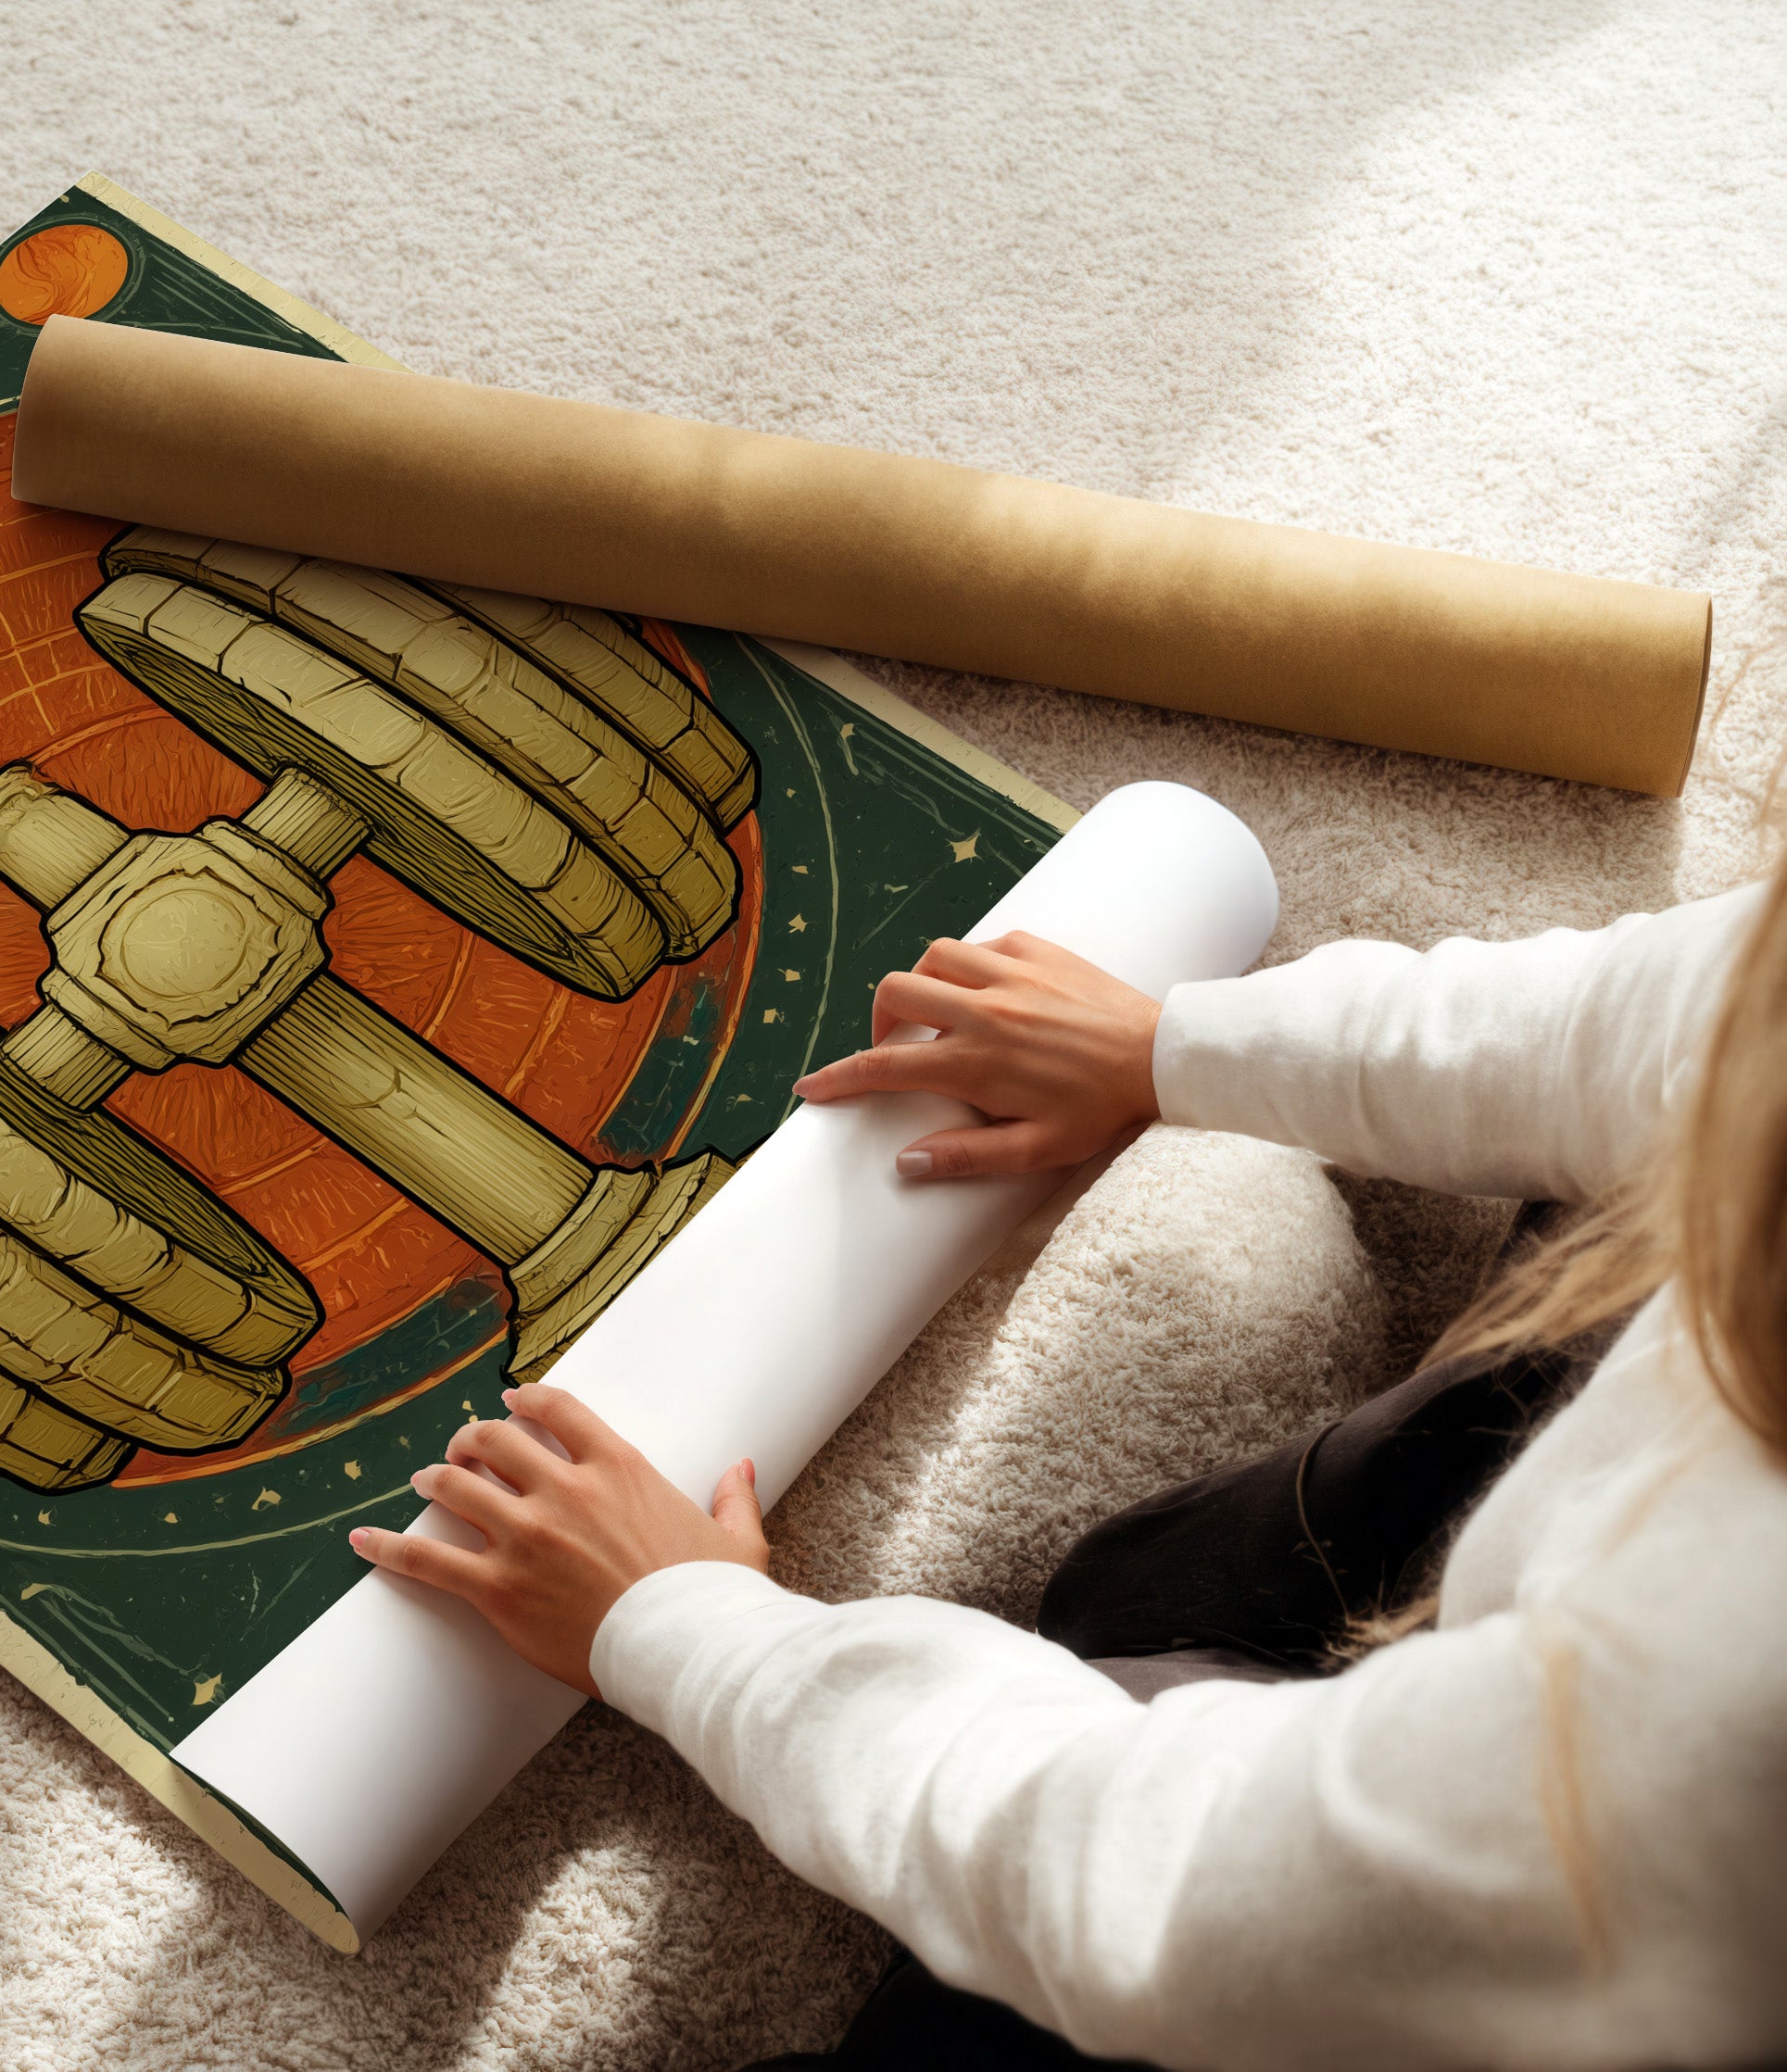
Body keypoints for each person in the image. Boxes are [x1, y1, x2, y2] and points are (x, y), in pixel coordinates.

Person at [349, 862, 1787, 2069]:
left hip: (1593, 1935)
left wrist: (687, 1629)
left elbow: (1163, 1890)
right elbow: (1668, 1016)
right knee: (1143, 1592)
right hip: (1602, 1647)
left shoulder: (1717, 1717)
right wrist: (1170, 1045)